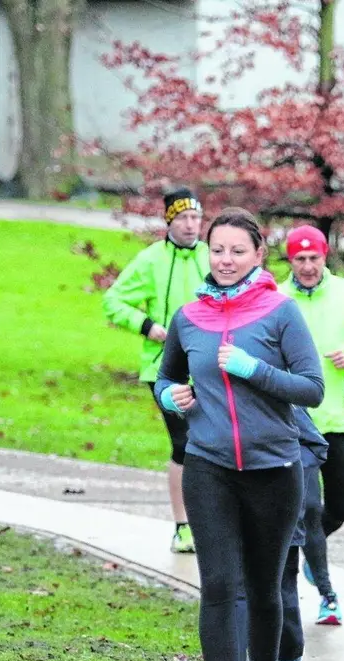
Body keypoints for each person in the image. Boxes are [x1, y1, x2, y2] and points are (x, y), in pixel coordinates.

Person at [152, 208, 325, 661]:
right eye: (217, 250)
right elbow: (166, 375)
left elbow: (312, 388)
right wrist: (169, 396)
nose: (225, 261)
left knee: (267, 586)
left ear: (258, 255)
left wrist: (254, 370)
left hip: (274, 469)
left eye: (237, 251)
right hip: (209, 468)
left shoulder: (281, 312)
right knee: (219, 585)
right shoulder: (188, 317)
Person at [102, 187, 210, 554]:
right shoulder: (151, 260)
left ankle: (212, 520)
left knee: (211, 444)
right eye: (183, 218)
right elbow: (113, 301)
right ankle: (183, 526)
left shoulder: (213, 258)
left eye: (196, 217)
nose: (191, 225)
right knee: (183, 443)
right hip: (163, 368)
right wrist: (149, 326)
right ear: (169, 221)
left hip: (210, 367)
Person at [280, 225, 344, 626]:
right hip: (295, 421)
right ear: (289, 261)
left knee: (338, 510)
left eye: (313, 258)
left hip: (340, 419)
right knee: (310, 509)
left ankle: (307, 553)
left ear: (325, 258)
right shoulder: (276, 299)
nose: (306, 266)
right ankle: (328, 595)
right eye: (299, 259)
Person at [231, 405, 327, 661]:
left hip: (281, 516)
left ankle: (288, 654)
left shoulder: (281, 399)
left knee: (279, 593)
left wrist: (282, 475)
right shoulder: (217, 397)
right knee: (233, 595)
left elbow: (315, 446)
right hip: (233, 513)